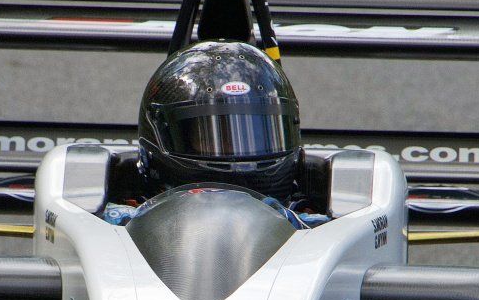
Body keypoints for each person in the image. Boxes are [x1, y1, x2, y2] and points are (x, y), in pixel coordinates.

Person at [105, 40, 327, 227]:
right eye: (214, 138)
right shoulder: (119, 221)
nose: (235, 151)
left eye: (258, 136)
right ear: (160, 137)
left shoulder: (313, 225)